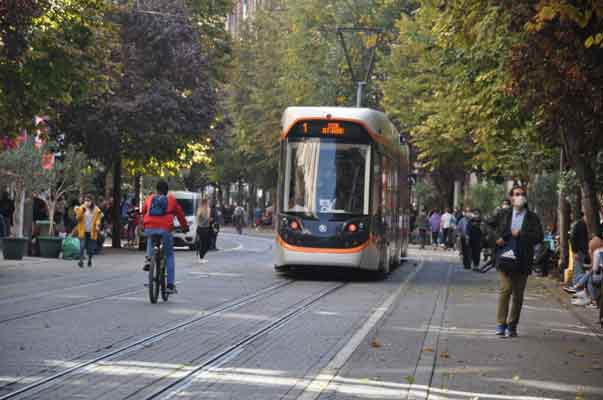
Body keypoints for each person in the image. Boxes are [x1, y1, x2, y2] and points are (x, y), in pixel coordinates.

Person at [494, 185, 543, 338]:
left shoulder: (532, 217)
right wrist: (497, 238)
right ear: (511, 197)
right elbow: (488, 226)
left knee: (518, 294)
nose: (520, 197)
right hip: (505, 259)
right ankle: (501, 324)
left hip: (523, 259)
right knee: (506, 289)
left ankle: (512, 325)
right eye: (516, 194)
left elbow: (538, 237)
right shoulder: (503, 214)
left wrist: (521, 234)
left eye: (522, 194)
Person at [142, 181, 188, 294]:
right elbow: (180, 214)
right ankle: (170, 285)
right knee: (169, 255)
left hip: (149, 226)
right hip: (165, 228)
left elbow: (143, 212)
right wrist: (185, 227)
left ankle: (149, 259)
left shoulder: (150, 198)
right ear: (167, 191)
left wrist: (144, 225)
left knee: (150, 238)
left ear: (156, 189)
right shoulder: (171, 199)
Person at [74, 195, 103, 268]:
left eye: (88, 201)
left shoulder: (96, 210)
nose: (87, 202)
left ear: (92, 201)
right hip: (83, 231)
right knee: (82, 246)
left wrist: (97, 225)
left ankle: (89, 259)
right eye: (86, 201)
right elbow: (77, 218)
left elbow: (98, 219)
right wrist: (81, 212)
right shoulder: (81, 208)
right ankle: (81, 261)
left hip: (92, 232)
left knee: (90, 249)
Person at [564, 211, 590, 293]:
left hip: (583, 251)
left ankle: (578, 288)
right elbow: (572, 239)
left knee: (580, 270)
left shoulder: (582, 225)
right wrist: (575, 252)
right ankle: (577, 289)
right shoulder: (579, 225)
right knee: (578, 270)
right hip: (579, 251)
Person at [196, 199, 212, 264]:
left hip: (201, 228)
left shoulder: (200, 209)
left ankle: (201, 257)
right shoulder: (206, 209)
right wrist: (208, 220)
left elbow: (198, 217)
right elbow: (206, 218)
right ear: (205, 203)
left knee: (203, 243)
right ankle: (201, 258)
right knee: (206, 244)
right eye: (207, 202)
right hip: (204, 228)